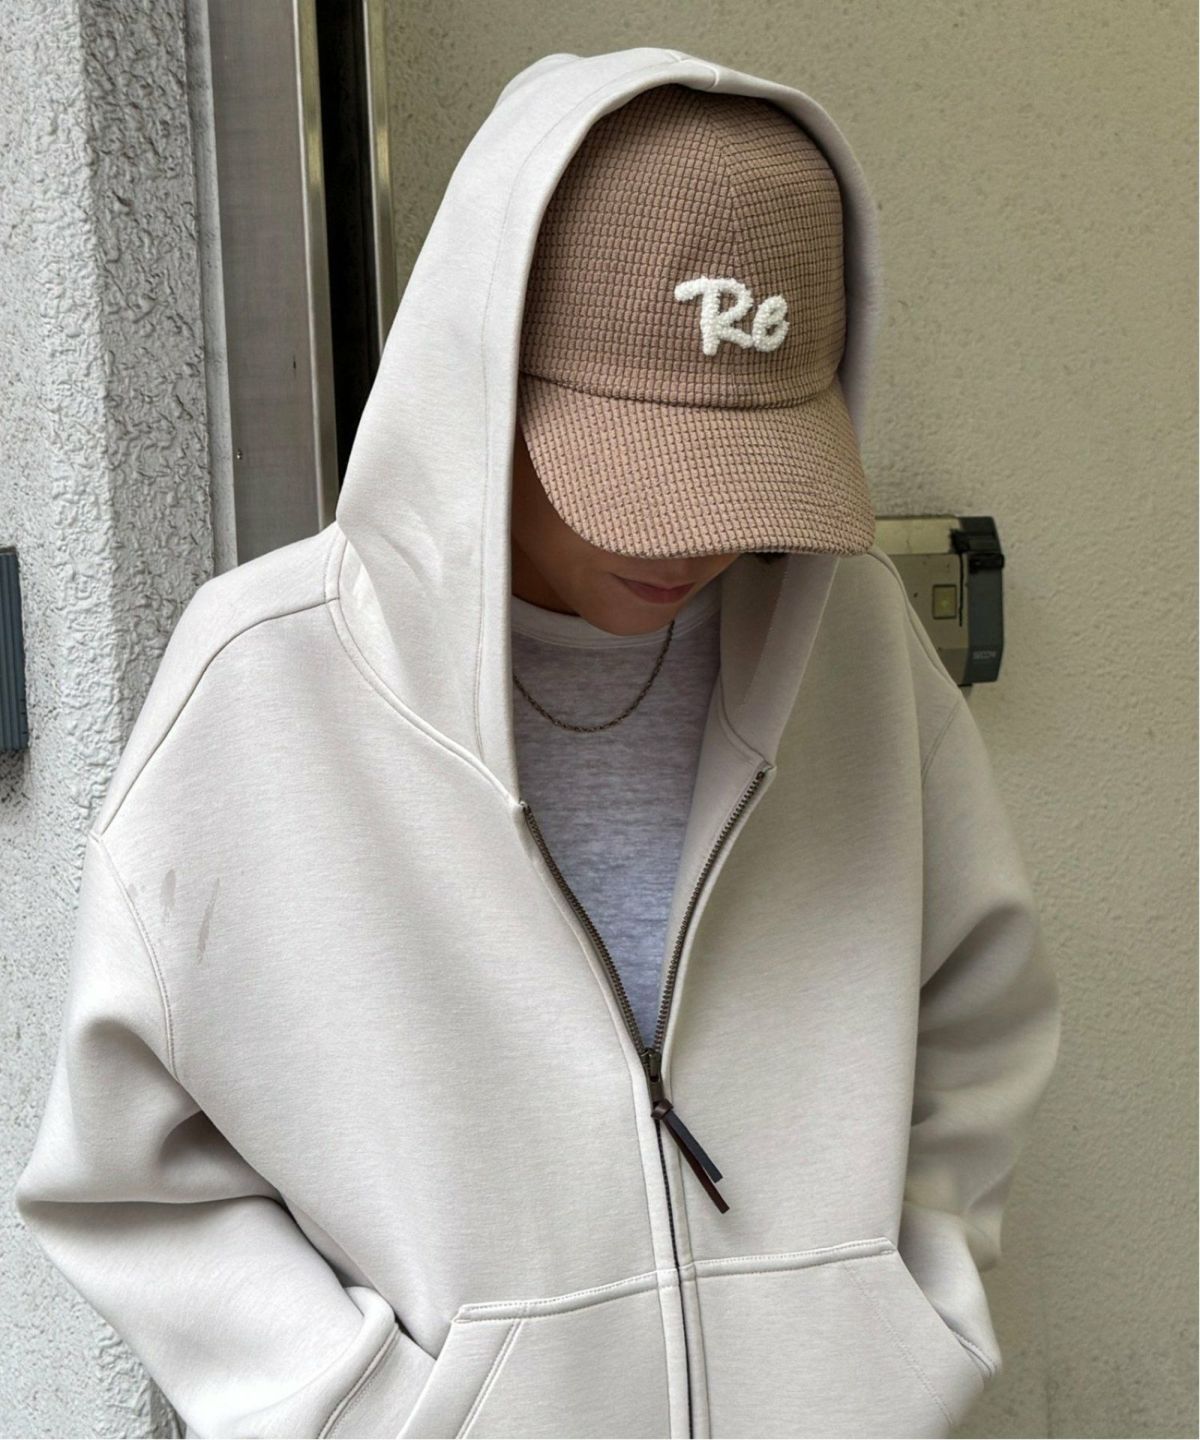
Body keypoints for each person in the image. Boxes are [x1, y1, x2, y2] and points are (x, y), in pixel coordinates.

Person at [14, 49, 1062, 1440]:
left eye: (744, 469)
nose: (693, 537)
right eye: (631, 469)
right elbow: (132, 1170)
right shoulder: (265, 684)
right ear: (481, 375)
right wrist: (366, 1412)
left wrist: (905, 1323)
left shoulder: (855, 648)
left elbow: (978, 1011)